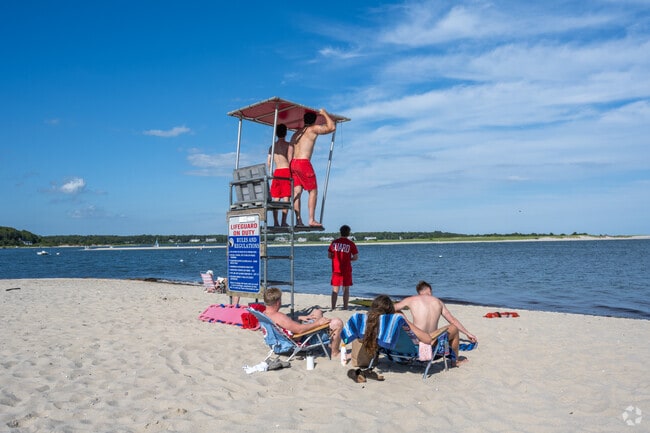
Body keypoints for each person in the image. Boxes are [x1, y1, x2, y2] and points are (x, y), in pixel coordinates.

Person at [394, 280, 477, 367]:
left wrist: (402, 316)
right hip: (432, 344)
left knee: (398, 312)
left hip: (415, 343)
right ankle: (455, 362)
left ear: (419, 292)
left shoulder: (410, 300)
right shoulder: (438, 302)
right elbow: (453, 320)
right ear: (429, 290)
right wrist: (468, 333)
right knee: (454, 328)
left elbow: (390, 308)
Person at [263, 287, 343, 358]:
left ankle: (328, 343)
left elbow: (285, 323)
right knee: (337, 323)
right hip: (301, 341)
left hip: (279, 343)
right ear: (277, 303)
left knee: (317, 312)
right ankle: (335, 353)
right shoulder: (280, 317)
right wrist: (318, 323)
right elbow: (299, 330)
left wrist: (299, 317)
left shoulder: (264, 314)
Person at [289, 109, 336, 227]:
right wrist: (325, 113)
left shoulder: (296, 133)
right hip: (303, 162)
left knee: (297, 191)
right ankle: (311, 220)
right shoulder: (313, 129)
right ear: (314, 121)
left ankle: (299, 221)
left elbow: (290, 150)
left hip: (293, 163)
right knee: (313, 191)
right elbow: (332, 127)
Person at [267, 123, 294, 227]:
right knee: (286, 198)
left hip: (276, 172)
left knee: (276, 198)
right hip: (286, 171)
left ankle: (275, 222)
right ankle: (283, 221)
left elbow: (269, 162)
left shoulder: (272, 147)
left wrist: (271, 172)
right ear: (286, 133)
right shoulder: (288, 145)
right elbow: (291, 160)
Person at [328, 225, 358, 310]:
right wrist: (348, 259)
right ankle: (345, 307)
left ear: (340, 232)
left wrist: (335, 259)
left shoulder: (334, 243)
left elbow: (329, 255)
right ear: (348, 233)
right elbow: (355, 257)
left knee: (335, 289)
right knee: (346, 289)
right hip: (347, 269)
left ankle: (333, 307)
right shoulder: (350, 243)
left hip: (336, 269)